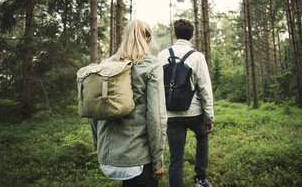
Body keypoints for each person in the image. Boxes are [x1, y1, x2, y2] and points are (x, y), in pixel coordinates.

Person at [90, 20, 167, 187]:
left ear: (125, 37)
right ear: (147, 39)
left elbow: (94, 110)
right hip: (138, 157)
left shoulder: (106, 64)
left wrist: (99, 144)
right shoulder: (152, 65)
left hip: (108, 157)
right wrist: (158, 160)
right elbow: (156, 116)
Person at [158, 19, 214, 187]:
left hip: (171, 115)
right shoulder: (197, 56)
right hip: (194, 113)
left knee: (176, 157)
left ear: (174, 34)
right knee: (202, 137)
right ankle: (200, 179)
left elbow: (156, 88)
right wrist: (209, 118)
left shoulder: (162, 55)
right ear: (192, 36)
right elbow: (205, 89)